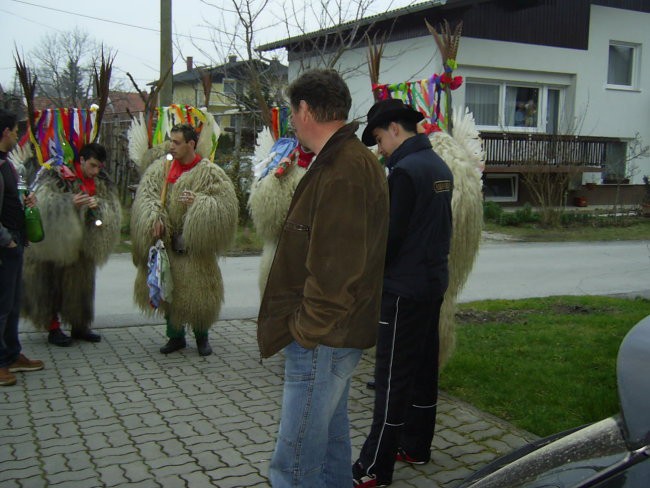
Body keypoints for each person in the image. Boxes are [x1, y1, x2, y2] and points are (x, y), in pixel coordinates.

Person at [257, 69, 389, 487]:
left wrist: (305, 330)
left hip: (323, 338)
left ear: (305, 109)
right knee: (330, 449)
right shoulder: (340, 161)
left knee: (293, 463)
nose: (291, 121)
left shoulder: (343, 169)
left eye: (292, 112)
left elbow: (336, 270)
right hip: (333, 336)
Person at [352, 98, 453, 487]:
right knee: (423, 368)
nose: (379, 149)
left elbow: (389, 239)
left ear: (395, 128)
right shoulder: (438, 166)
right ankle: (416, 445)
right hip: (431, 284)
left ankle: (374, 467)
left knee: (392, 378)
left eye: (379, 139)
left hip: (402, 290)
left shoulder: (404, 171)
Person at [130, 123, 238, 357]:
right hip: (168, 248)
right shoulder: (161, 169)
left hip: (195, 249)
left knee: (200, 295)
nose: (171, 146)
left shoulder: (210, 172)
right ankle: (175, 336)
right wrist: (154, 219)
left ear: (191, 144)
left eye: (177, 142)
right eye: (171, 140)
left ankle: (202, 338)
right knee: (170, 291)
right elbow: (147, 197)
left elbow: (224, 207)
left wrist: (199, 203)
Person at [21, 142, 122, 346]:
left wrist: (99, 205)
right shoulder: (57, 175)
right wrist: (69, 202)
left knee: (81, 285)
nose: (95, 171)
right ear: (82, 160)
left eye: (99, 167)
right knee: (50, 283)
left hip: (83, 244)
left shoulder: (102, 180)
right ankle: (53, 328)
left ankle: (80, 325)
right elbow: (43, 201)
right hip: (56, 243)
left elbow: (112, 206)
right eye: (92, 166)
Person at [0, 109, 44, 386]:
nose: (18, 135)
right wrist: (7, 239)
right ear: (5, 132)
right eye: (15, 130)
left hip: (15, 241)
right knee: (2, 306)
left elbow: (9, 196)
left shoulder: (7, 163)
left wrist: (25, 200)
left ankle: (12, 354)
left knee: (13, 303)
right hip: (4, 245)